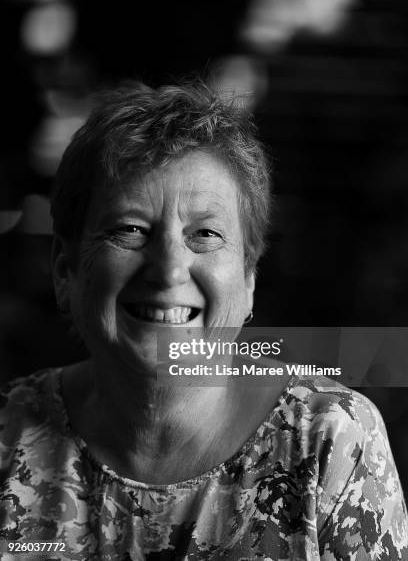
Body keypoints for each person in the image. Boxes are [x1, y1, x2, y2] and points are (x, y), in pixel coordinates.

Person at [0, 80, 407, 560]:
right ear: (65, 271)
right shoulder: (8, 436)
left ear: (249, 279)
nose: (169, 269)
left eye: (206, 234)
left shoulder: (327, 439)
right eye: (129, 230)